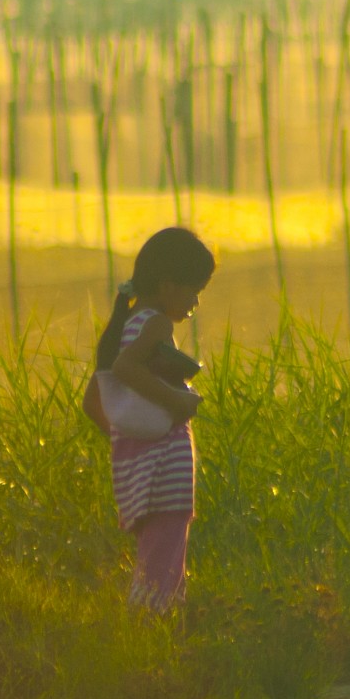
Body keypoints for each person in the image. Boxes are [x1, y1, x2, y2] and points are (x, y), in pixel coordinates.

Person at [82, 227, 216, 613]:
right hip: (165, 477)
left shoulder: (124, 326)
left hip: (138, 472)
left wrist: (130, 435)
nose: (195, 302)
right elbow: (127, 368)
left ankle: (153, 642)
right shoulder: (156, 324)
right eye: (194, 291)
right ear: (168, 285)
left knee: (157, 562)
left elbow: (93, 402)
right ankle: (147, 639)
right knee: (162, 571)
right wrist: (176, 400)